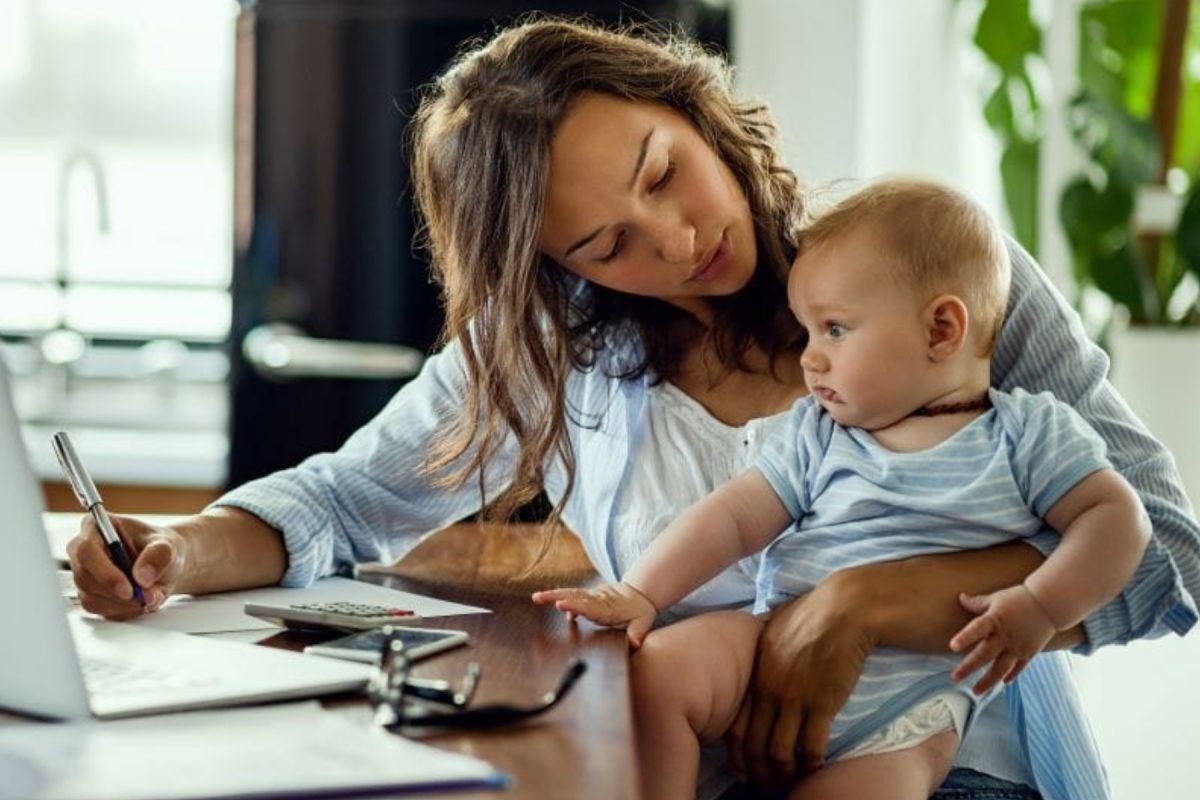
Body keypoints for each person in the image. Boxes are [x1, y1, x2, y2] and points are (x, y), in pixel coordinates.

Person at [64, 18, 1198, 800]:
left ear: (695, 110)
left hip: (948, 765)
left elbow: (1172, 561)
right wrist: (173, 548)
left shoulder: (929, 277)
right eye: (607, 244)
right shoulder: (557, 348)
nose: (678, 241)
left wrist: (857, 602)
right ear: (564, 268)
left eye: (664, 173)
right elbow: (343, 498)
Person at [532, 178, 1153, 800]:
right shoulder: (822, 432)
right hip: (773, 642)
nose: (810, 359)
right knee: (659, 672)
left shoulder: (1027, 435)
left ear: (941, 330)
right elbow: (733, 518)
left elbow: (1118, 516)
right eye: (806, 332)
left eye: (834, 329)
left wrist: (1044, 605)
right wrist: (642, 592)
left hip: (908, 713)